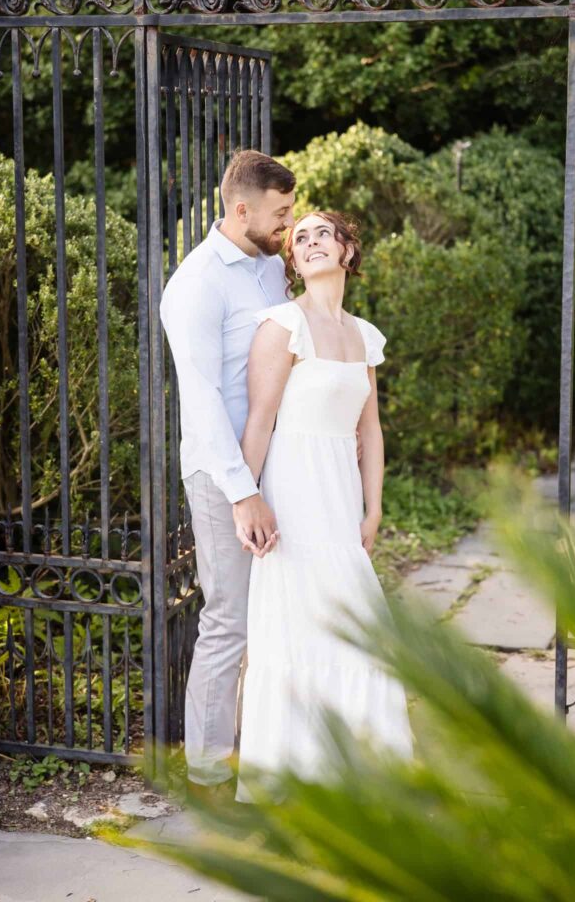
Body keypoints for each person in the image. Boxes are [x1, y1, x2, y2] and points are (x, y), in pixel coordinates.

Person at [235, 209, 414, 803]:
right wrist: (248, 499)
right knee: (295, 636)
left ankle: (358, 780)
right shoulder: (282, 323)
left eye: (322, 234)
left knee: (356, 631)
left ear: (346, 251)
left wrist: (374, 508)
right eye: (300, 236)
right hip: (289, 492)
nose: (309, 242)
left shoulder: (364, 335)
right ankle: (291, 787)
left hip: (340, 500)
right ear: (293, 259)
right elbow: (259, 421)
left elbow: (371, 431)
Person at [159, 149, 296, 789]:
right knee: (229, 617)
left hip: (281, 462)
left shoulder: (269, 266)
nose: (288, 226)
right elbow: (204, 401)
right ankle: (209, 773)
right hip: (223, 479)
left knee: (278, 613)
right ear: (241, 209)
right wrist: (243, 495)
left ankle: (270, 747)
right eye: (279, 214)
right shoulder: (194, 286)